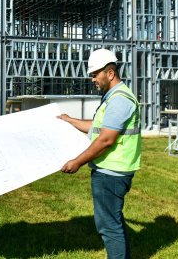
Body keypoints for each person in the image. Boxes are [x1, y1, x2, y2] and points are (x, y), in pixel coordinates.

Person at [57, 49, 142, 259]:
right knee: (114, 221)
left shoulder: (120, 99)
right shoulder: (113, 96)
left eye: (95, 74)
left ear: (110, 73)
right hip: (111, 170)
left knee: (109, 227)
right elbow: (97, 128)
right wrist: (70, 120)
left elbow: (105, 139)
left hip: (112, 172)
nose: (93, 79)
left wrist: (77, 162)